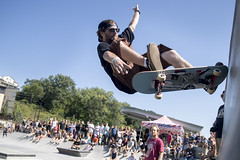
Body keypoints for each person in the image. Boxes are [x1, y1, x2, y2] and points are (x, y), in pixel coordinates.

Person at [97, 4, 192, 94]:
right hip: (126, 80)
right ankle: (147, 63)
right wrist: (115, 60)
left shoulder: (123, 37)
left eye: (116, 30)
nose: (115, 32)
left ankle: (200, 78)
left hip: (139, 71)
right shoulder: (103, 46)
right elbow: (107, 55)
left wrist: (137, 12)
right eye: (111, 30)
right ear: (102, 33)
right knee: (117, 43)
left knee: (170, 54)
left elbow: (132, 25)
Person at [211, 90, 225, 155]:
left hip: (226, 132)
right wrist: (215, 123)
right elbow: (217, 118)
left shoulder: (231, 106)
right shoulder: (221, 107)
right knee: (220, 152)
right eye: (221, 96)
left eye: (223, 95)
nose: (222, 97)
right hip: (218, 132)